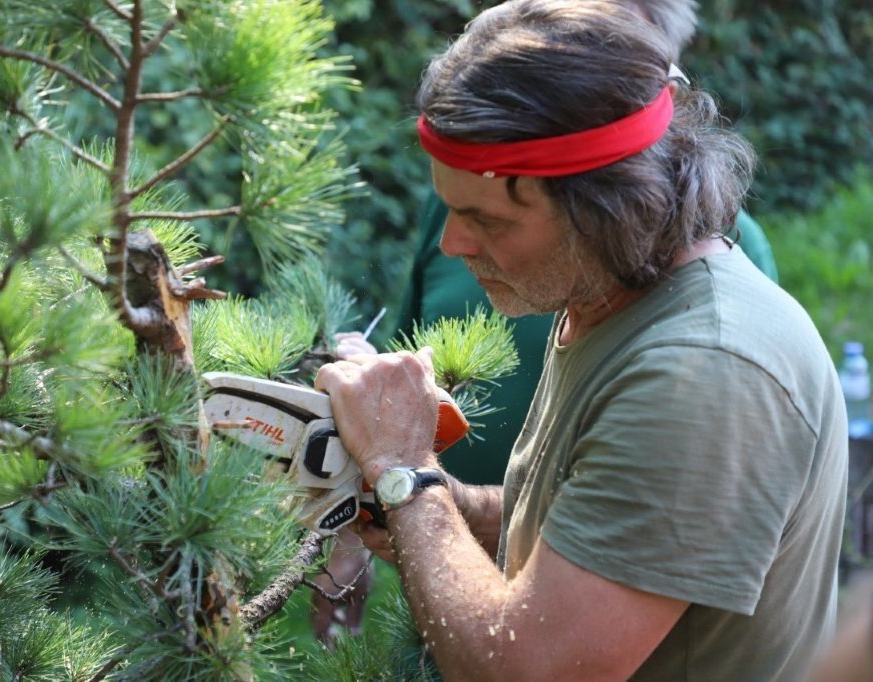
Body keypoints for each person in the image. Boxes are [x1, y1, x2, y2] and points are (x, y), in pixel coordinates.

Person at [315, 0, 848, 678]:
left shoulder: (703, 375)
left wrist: (404, 472)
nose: (452, 243)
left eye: (489, 220)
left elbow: (529, 670)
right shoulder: (607, 300)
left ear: (605, 206)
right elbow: (593, 533)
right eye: (450, 209)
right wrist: (451, 506)